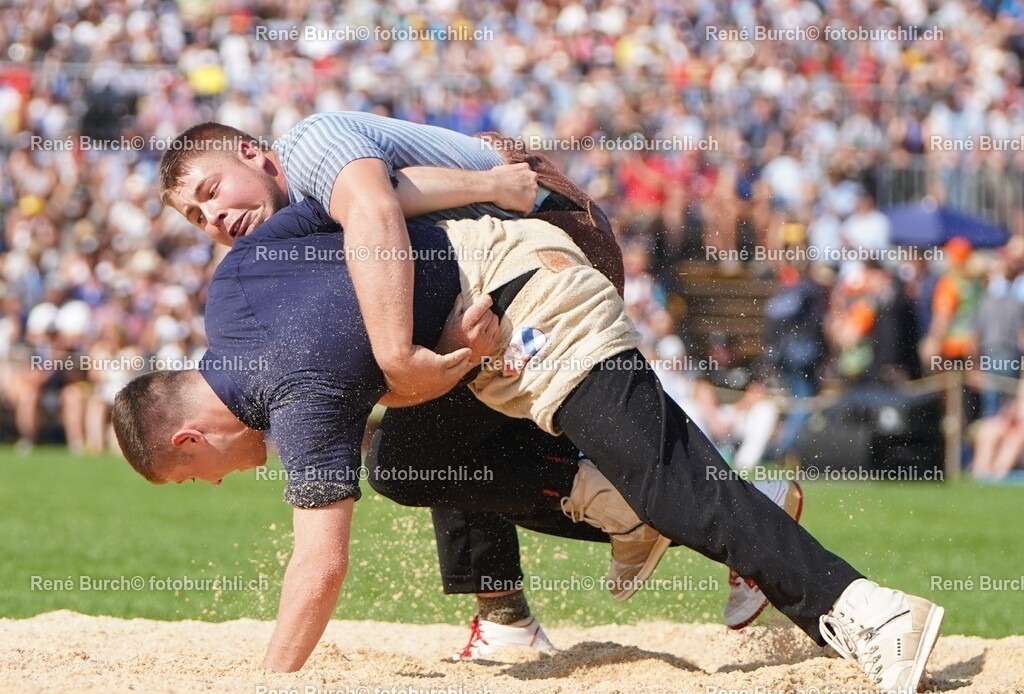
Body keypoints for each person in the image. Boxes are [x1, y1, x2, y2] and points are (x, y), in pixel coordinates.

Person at [112, 199, 944, 694]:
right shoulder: (232, 286)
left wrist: (272, 688)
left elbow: (318, 568)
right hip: (491, 330)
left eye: (192, 477)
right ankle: (610, 519)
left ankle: (866, 611)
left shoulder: (299, 407)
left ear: (188, 438)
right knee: (407, 463)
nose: (213, 486)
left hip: (531, 294)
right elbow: (365, 189)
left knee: (671, 484)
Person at [156, 114, 783, 656]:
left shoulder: (307, 149)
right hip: (504, 256)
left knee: (414, 450)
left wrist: (401, 355)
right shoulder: (296, 221)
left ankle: (706, 527)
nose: (212, 217)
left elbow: (385, 200)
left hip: (548, 237)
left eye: (211, 191)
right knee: (418, 448)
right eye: (194, 216)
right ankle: (550, 584)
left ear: (250, 153)